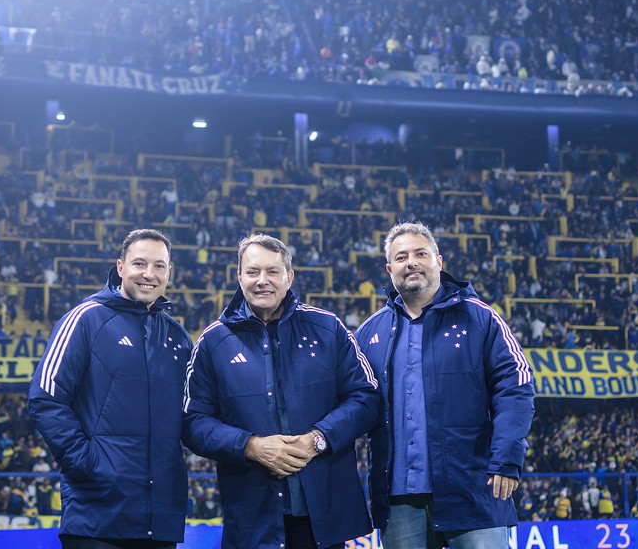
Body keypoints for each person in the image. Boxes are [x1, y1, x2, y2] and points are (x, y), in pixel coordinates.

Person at [183, 233, 380, 549]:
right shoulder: (212, 343)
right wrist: (250, 446)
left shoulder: (328, 329)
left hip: (322, 521)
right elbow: (193, 422)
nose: (263, 281)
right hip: (252, 521)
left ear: (289, 277)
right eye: (253, 272)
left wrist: (318, 439)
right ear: (239, 277)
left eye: (272, 272)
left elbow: (366, 397)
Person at [355, 222, 535, 549]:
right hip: (399, 497)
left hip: (473, 490)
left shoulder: (481, 319)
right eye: (401, 257)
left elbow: (516, 386)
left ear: (439, 260)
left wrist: (507, 458)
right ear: (389, 268)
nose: (411, 262)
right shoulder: (369, 333)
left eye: (420, 253)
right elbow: (352, 404)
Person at [29, 229, 192, 549]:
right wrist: (87, 464)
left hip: (159, 519)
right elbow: (45, 398)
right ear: (120, 267)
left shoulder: (178, 337)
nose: (149, 274)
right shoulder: (85, 318)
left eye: (159, 266)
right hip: (96, 516)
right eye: (139, 264)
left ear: (169, 272)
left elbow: (192, 415)